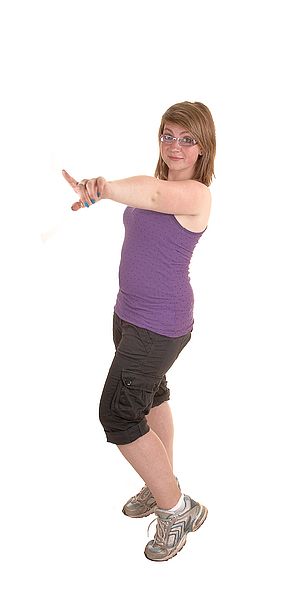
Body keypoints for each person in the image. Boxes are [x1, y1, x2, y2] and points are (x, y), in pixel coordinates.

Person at [62, 101, 216, 562]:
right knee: (152, 398)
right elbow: (146, 193)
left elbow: (150, 196)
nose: (175, 146)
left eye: (188, 139)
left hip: (161, 324)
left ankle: (176, 509)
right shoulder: (152, 184)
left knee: (118, 415)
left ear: (204, 146)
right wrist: (109, 191)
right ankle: (160, 482)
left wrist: (104, 187)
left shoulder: (196, 194)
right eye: (168, 135)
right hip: (129, 313)